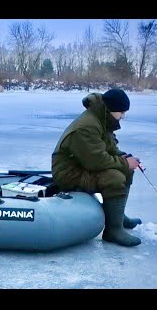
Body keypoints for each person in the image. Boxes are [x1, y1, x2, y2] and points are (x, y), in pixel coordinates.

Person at [51, 88, 142, 247]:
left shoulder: (103, 118)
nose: (123, 116)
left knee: (126, 170)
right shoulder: (87, 126)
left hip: (82, 166)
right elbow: (96, 161)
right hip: (69, 173)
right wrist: (124, 163)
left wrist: (124, 157)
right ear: (111, 109)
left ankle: (117, 218)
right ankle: (113, 231)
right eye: (121, 112)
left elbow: (108, 148)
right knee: (115, 177)